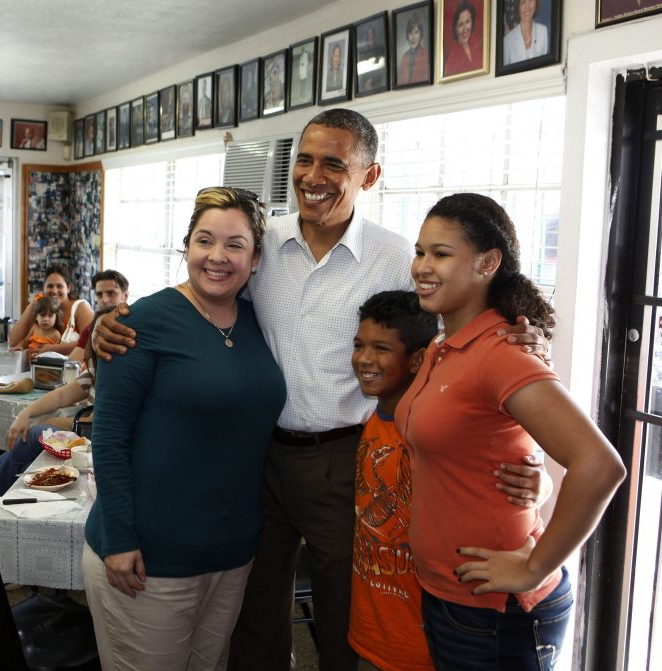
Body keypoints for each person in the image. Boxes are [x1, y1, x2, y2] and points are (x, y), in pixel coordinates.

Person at [96, 109, 548, 671]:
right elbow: (204, 288)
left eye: (334, 163)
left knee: (347, 614)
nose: (314, 176)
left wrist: (527, 425)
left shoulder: (395, 257)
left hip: (345, 456)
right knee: (254, 613)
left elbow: (461, 341)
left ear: (370, 175)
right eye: (304, 160)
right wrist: (108, 323)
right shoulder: (261, 244)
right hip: (256, 458)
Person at [400, 193, 626, 669]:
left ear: (488, 263)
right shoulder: (446, 345)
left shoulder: (501, 353)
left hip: (495, 610)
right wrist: (538, 476)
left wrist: (534, 566)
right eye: (420, 251)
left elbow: (600, 465)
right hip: (452, 595)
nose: (422, 265)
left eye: (441, 254)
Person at [83, 187, 286, 670]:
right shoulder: (141, 321)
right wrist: (119, 538)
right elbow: (108, 438)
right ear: (186, 247)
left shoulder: (262, 321)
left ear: (255, 259)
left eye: (235, 245)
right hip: (148, 556)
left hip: (232, 552)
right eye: (204, 241)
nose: (217, 257)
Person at [349, 290, 551, 671]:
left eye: (381, 348)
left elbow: (509, 472)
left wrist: (541, 487)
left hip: (430, 638)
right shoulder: (372, 424)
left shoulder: (434, 437)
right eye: (359, 345)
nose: (364, 358)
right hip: (374, 632)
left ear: (417, 360)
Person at [0, 308, 109, 509]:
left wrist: (44, 422)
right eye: (98, 331)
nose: (103, 337)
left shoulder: (119, 373)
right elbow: (63, 394)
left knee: (34, 435)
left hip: (97, 439)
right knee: (30, 443)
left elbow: (94, 422)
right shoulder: (97, 368)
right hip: (86, 431)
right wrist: (26, 413)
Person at [9, 265, 93, 357]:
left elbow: (90, 342)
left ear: (68, 288)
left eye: (59, 286)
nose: (54, 291)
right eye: (50, 286)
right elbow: (13, 341)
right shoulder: (41, 309)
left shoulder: (80, 308)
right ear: (43, 288)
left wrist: (52, 349)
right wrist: (32, 305)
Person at [69, 269, 129, 362]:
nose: (104, 300)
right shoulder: (90, 328)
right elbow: (72, 363)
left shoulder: (137, 324)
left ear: (125, 296)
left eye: (111, 293)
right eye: (99, 294)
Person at [503, 0, 549, 66]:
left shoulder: (543, 31)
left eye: (530, 0)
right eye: (523, 2)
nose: (527, 6)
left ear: (536, 3)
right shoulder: (507, 41)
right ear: (518, 7)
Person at [443, 0, 482, 77]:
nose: (465, 29)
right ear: (455, 28)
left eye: (467, 22)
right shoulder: (452, 59)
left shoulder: (478, 44)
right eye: (460, 24)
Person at [398, 13, 430, 85]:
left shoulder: (426, 55)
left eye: (416, 32)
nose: (413, 37)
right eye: (410, 33)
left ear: (421, 34)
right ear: (407, 35)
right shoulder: (404, 57)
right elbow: (400, 82)